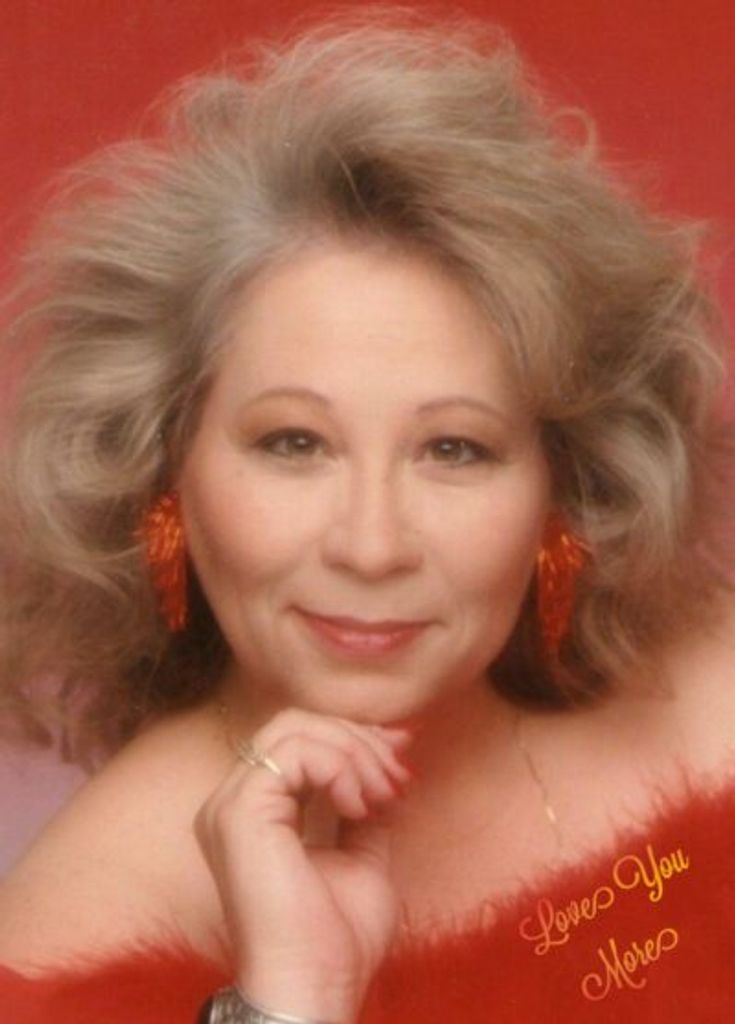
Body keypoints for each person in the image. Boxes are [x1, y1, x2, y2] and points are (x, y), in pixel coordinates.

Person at [1, 10, 734, 1023]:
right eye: (293, 443)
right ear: (161, 473)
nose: (371, 545)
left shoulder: (716, 707)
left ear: (565, 489)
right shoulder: (75, 941)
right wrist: (290, 1000)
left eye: (455, 449)